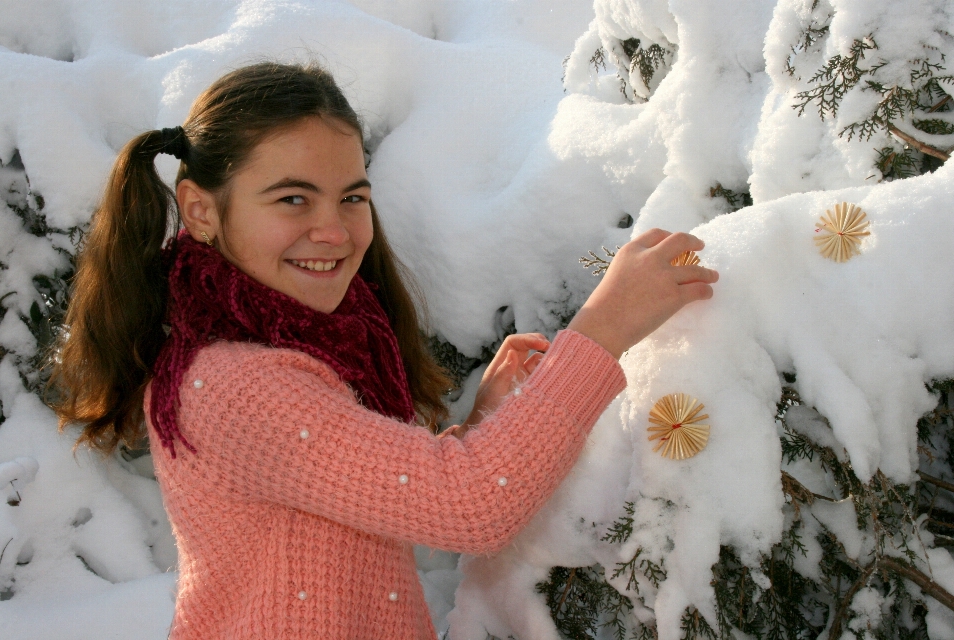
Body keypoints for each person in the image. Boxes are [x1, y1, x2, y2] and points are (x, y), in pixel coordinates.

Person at [50, 62, 718, 639]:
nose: (334, 230)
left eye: (352, 197)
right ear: (200, 210)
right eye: (292, 198)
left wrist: (484, 425)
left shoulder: (293, 345)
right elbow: (468, 505)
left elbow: (380, 507)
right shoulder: (235, 382)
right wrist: (602, 331)